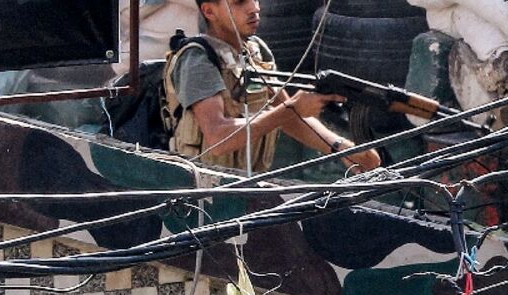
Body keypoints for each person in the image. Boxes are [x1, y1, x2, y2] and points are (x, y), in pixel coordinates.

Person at [163, 0, 381, 173]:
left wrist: (342, 149)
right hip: (202, 190)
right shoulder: (198, 60)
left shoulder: (255, 51)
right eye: (239, 2)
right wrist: (291, 109)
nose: (255, 8)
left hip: (248, 182)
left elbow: (291, 118)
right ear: (210, 11)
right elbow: (218, 137)